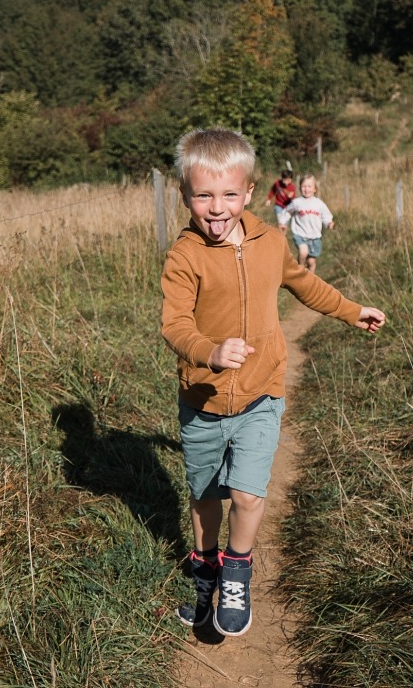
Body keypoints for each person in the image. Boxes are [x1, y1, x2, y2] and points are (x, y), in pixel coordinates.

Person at [161, 129, 385, 639]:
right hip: (202, 399)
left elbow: (304, 284)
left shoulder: (270, 242)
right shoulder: (185, 255)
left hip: (262, 394)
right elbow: (174, 325)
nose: (216, 209)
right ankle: (204, 580)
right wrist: (209, 352)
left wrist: (350, 311)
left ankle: (237, 569)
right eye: (203, 196)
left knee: (246, 494)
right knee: (204, 497)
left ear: (249, 192)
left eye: (228, 195)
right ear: (184, 196)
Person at [284, 174, 333, 273]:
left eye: (309, 186)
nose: (306, 189)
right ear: (300, 188)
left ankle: (310, 280)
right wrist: (283, 222)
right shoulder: (297, 203)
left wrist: (329, 222)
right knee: (303, 252)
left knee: (311, 262)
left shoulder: (319, 204)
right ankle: (300, 269)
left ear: (315, 189)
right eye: (304, 186)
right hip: (300, 233)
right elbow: (287, 212)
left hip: (315, 236)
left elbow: (326, 215)